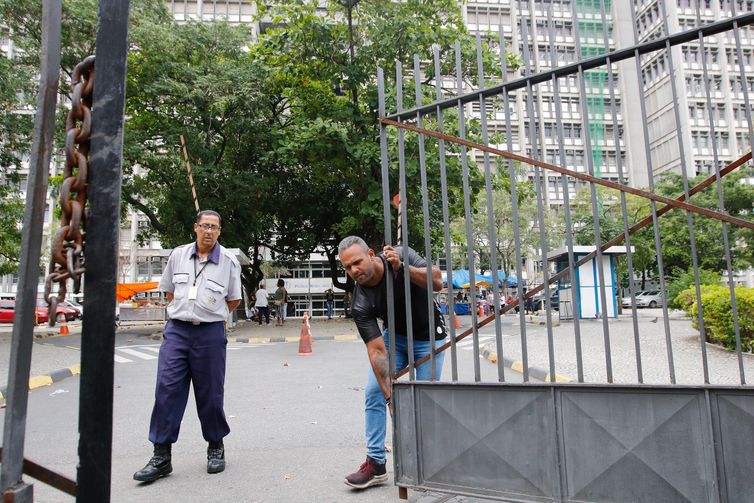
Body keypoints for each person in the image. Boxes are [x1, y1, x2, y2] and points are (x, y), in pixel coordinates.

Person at [133, 210, 241, 483]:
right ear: (195, 227)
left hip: (210, 334)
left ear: (219, 232)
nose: (209, 231)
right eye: (204, 225)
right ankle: (161, 456)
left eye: (214, 227)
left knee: (211, 394)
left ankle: (215, 446)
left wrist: (208, 313)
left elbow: (233, 301)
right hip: (177, 332)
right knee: (167, 390)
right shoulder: (179, 255)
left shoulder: (228, 261)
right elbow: (169, 291)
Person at [338, 236, 446, 490]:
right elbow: (376, 351)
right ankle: (376, 463)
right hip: (394, 338)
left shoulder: (400, 254)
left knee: (425, 399)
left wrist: (402, 269)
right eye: (347, 267)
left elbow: (438, 282)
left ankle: (427, 463)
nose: (353, 270)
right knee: (374, 392)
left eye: (356, 262)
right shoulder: (360, 301)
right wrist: (390, 398)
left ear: (371, 254)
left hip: (429, 335)